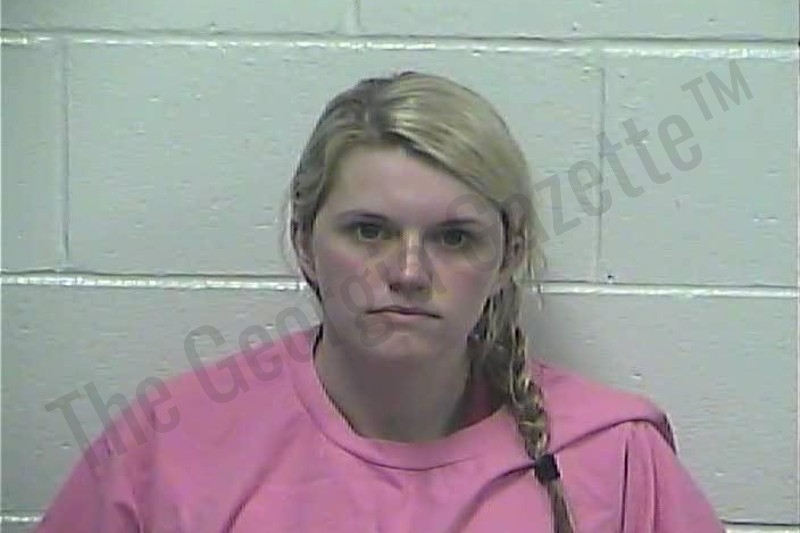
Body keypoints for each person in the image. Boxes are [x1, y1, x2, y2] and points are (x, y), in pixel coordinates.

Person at [36, 72, 724, 532]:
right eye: (369, 231)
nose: (408, 271)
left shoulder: (614, 456)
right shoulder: (169, 444)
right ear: (305, 243)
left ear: (508, 256)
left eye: (454, 237)